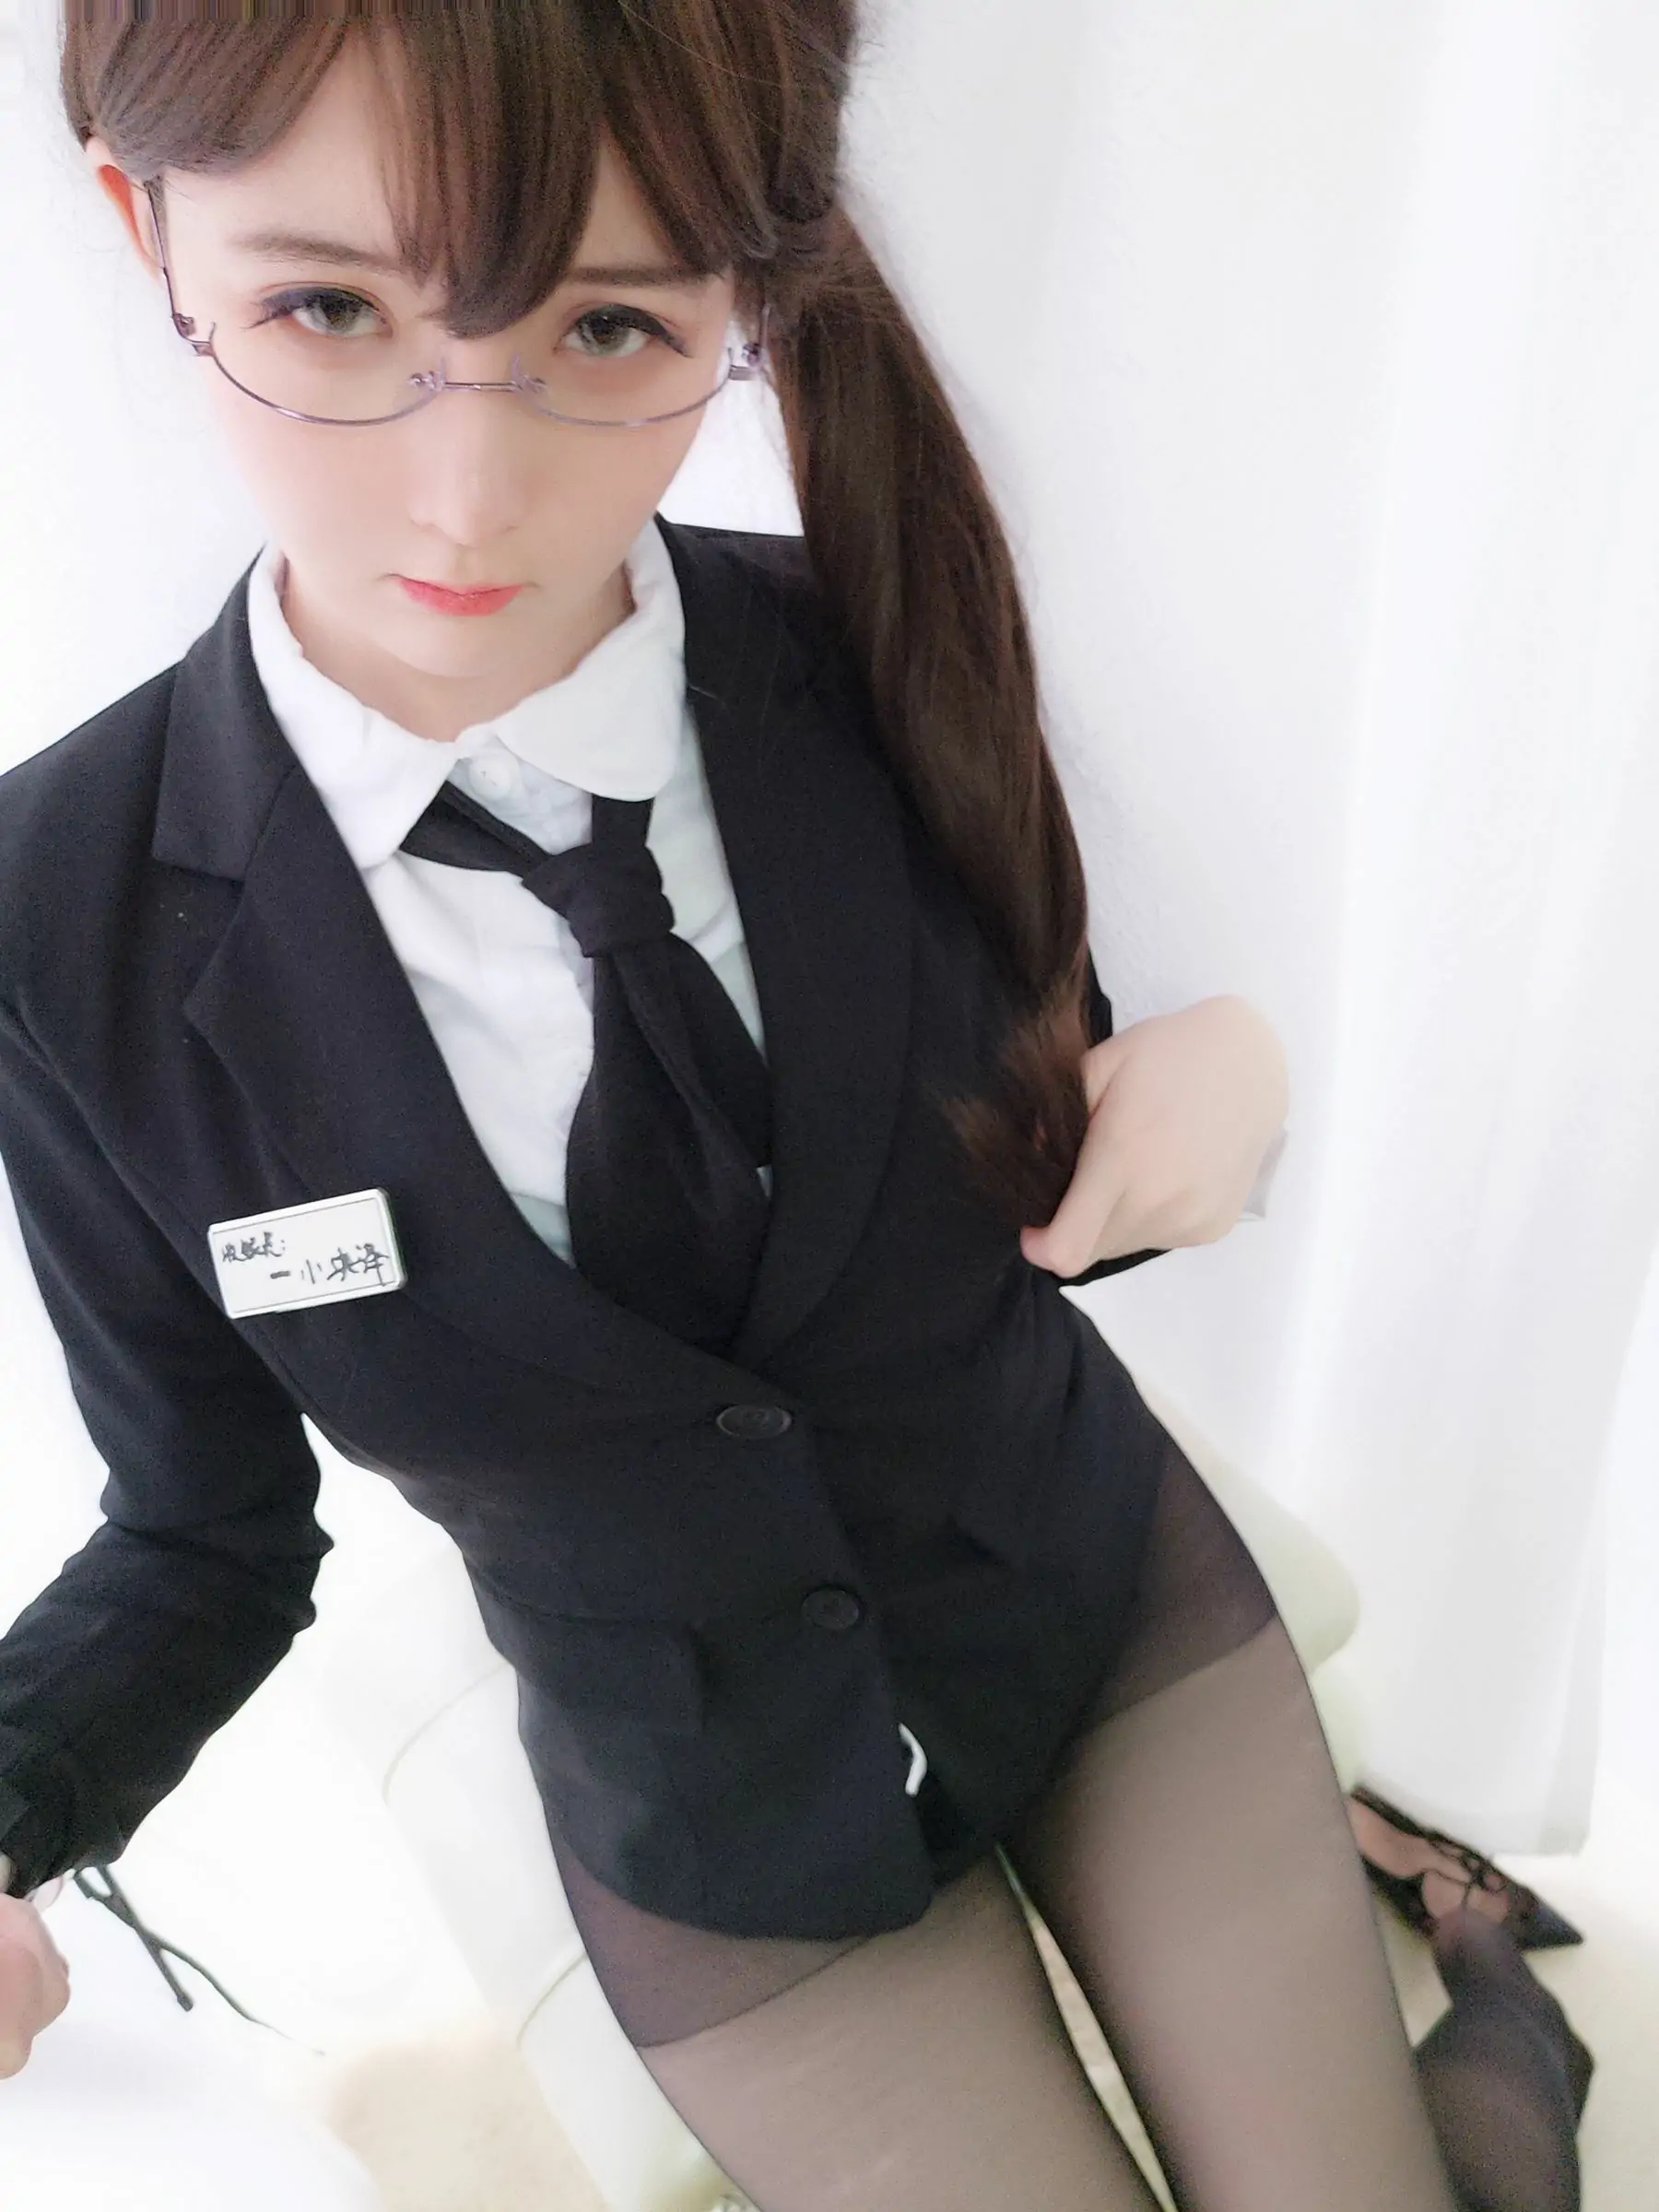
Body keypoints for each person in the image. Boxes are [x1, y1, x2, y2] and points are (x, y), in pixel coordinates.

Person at [0, 6, 1590, 2207]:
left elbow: (1022, 1153)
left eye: (607, 326)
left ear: (746, 289)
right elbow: (203, 1533)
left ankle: (1499, 1999)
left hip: (1093, 1614)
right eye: (330, 310)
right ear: (147, 232)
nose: (467, 496)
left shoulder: (883, 643)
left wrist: (1233, 1072)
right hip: (726, 1826)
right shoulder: (59, 916)